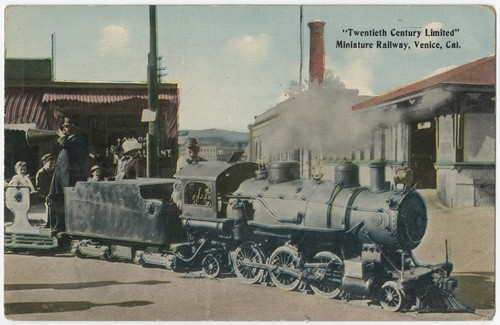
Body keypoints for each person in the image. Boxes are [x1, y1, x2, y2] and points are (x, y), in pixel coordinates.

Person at [47, 117, 88, 230]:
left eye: (68, 126)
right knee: (56, 199)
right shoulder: (68, 140)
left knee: (67, 202)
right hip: (60, 175)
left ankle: (64, 226)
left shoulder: (78, 140)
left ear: (75, 127)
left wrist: (63, 138)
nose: (65, 128)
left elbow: (67, 147)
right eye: (64, 126)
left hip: (70, 177)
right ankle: (56, 225)